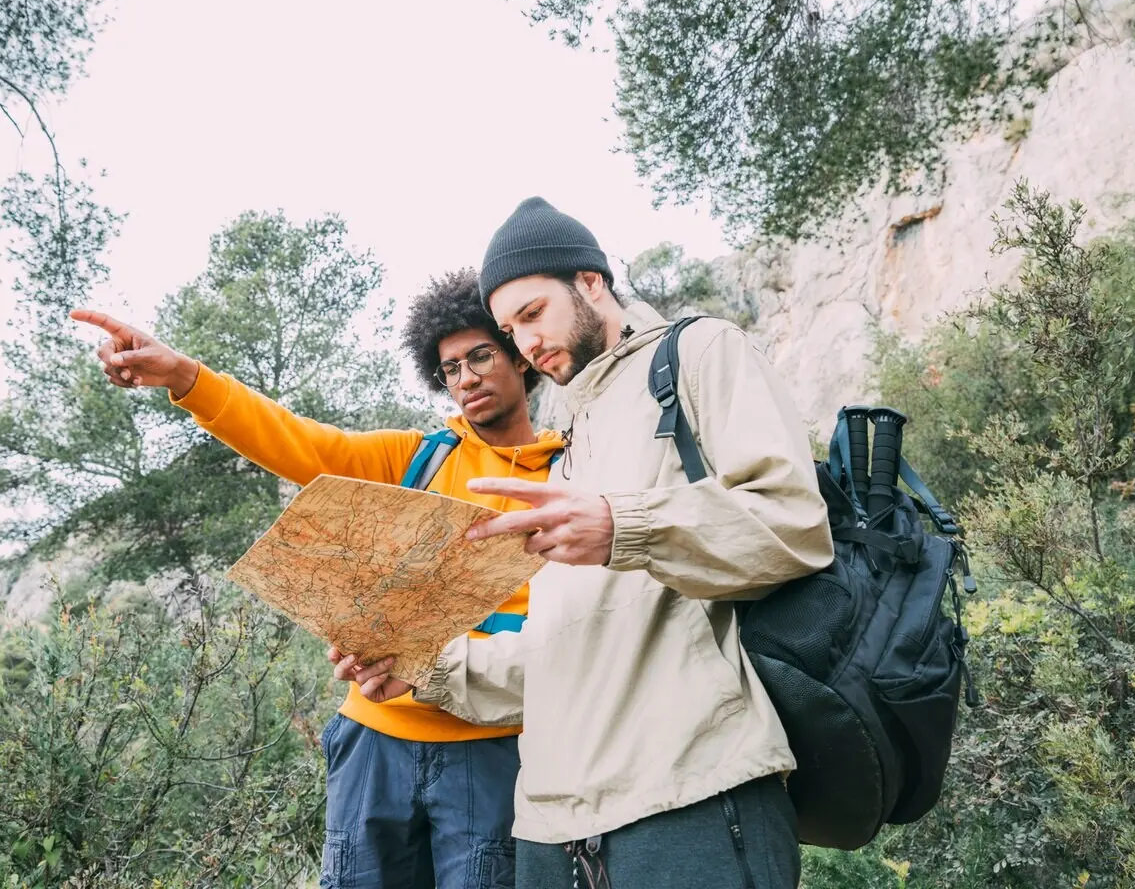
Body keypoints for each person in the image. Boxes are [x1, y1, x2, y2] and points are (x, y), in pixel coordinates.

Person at [342, 198, 835, 888]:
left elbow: (793, 526)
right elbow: (565, 651)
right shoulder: (567, 436)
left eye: (532, 313)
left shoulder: (696, 354)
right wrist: (426, 669)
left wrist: (620, 526)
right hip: (551, 833)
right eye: (510, 329)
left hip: (689, 799)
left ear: (591, 283)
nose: (525, 343)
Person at [72, 267, 564, 889]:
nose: (465, 378)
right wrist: (183, 377)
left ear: (520, 357)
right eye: (449, 369)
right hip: (373, 743)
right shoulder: (417, 455)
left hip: (494, 753)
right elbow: (296, 442)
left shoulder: (571, 475)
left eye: (480, 356)